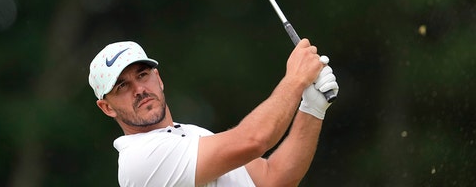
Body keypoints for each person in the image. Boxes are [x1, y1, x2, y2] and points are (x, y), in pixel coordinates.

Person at [89, 39, 339, 186]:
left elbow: (274, 178)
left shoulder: (192, 135)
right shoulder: (140, 159)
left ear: (158, 78)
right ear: (107, 107)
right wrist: (295, 80)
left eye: (142, 75)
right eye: (122, 86)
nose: (139, 90)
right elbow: (254, 140)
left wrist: (312, 108)